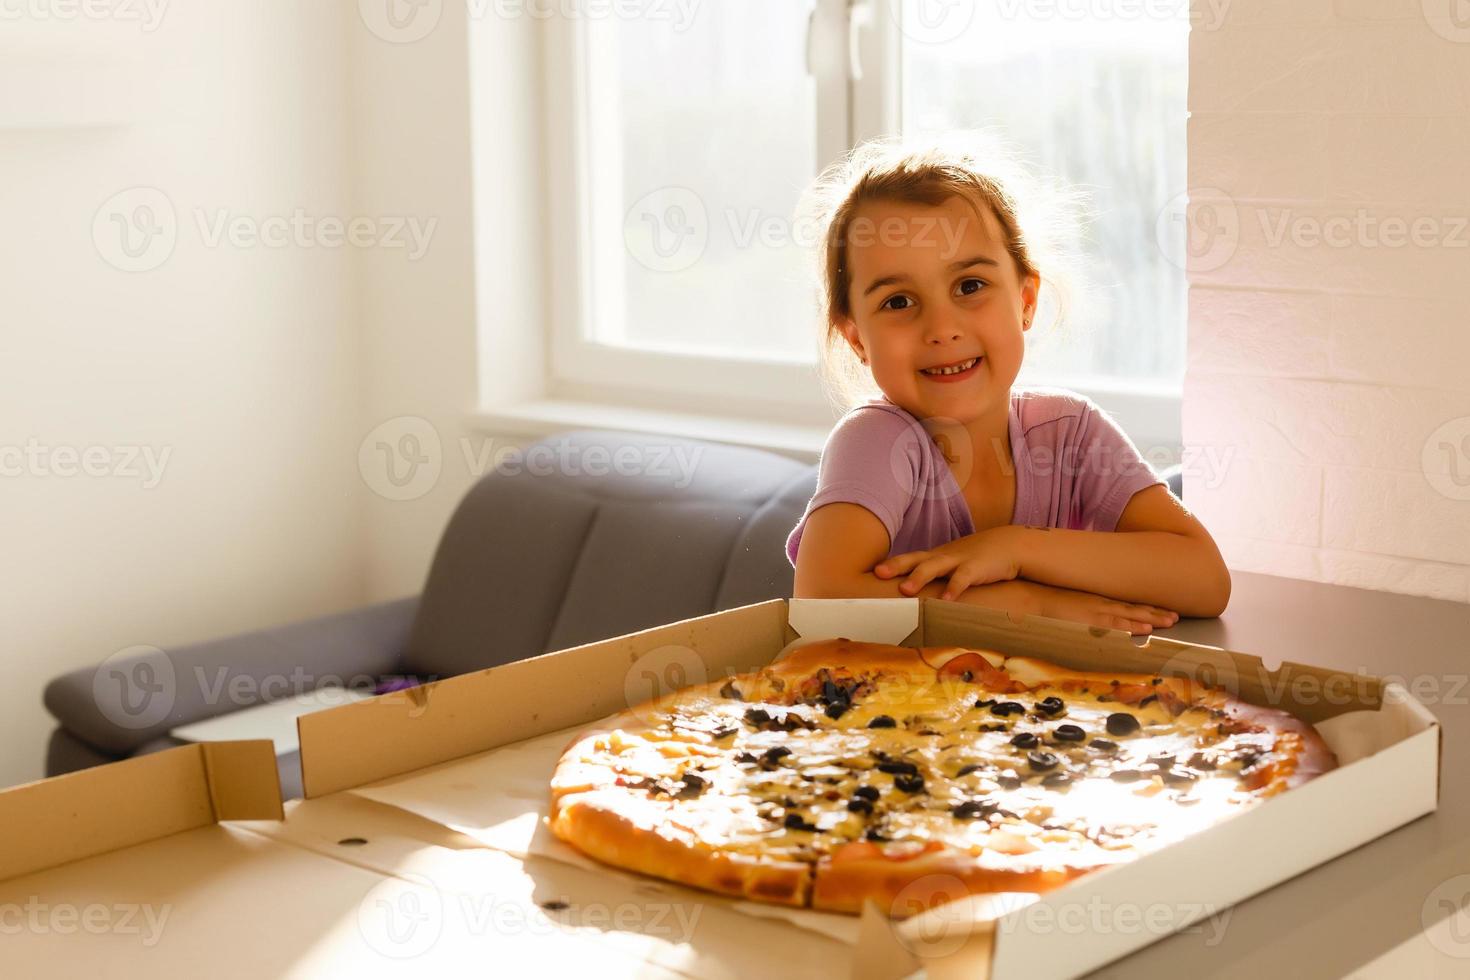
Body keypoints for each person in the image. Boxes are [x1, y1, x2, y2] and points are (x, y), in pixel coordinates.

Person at [786, 134, 1230, 634]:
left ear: (1025, 300)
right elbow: (822, 602)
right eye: (898, 302)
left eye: (969, 287)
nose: (942, 328)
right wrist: (1028, 605)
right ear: (856, 339)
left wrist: (1016, 547)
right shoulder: (877, 441)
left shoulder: (1071, 433)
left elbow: (1205, 580)